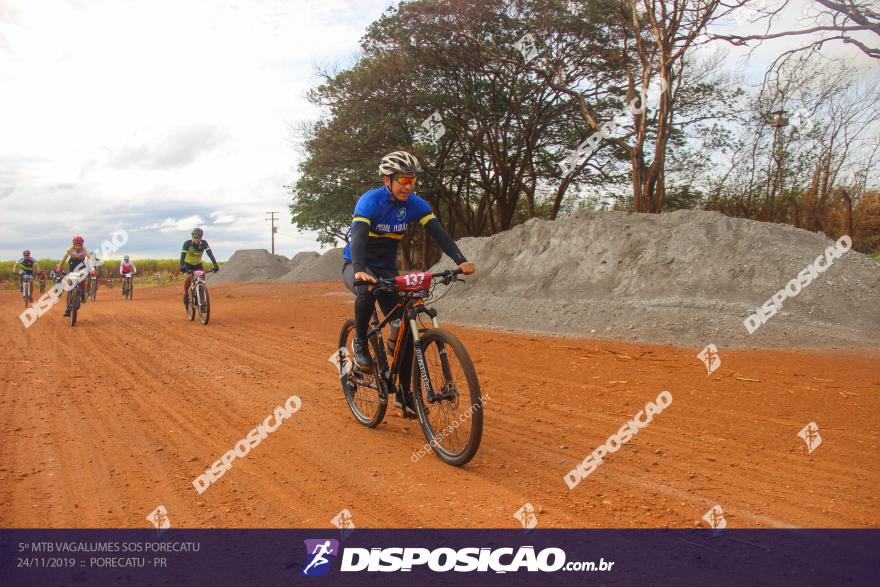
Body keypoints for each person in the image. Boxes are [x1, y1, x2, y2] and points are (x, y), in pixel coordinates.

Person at [342, 151, 475, 417]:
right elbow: (357, 238)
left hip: (388, 269)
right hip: (358, 265)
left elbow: (439, 233)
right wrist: (359, 271)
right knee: (366, 291)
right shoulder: (371, 201)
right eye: (402, 180)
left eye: (412, 180)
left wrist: (461, 260)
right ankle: (359, 342)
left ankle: (405, 395)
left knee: (405, 325)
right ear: (387, 180)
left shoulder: (414, 203)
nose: (408, 186)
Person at [179, 227, 219, 307]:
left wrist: (215, 265)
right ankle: (186, 294)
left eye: (199, 237)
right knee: (189, 277)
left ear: (201, 237)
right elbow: (182, 256)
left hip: (198, 264)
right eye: (195, 237)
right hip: (187, 264)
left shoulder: (204, 243)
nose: (197, 239)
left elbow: (210, 254)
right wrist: (182, 266)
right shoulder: (187, 243)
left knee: (201, 280)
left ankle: (202, 304)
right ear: (192, 237)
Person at [57, 236, 94, 316]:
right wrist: (59, 268)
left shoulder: (85, 250)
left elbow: (89, 259)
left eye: (79, 245)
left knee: (82, 280)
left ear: (82, 245)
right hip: (72, 267)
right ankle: (67, 308)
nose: (78, 246)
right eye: (76, 244)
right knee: (69, 286)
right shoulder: (70, 249)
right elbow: (64, 259)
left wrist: (92, 270)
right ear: (73, 244)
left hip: (81, 267)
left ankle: (83, 294)